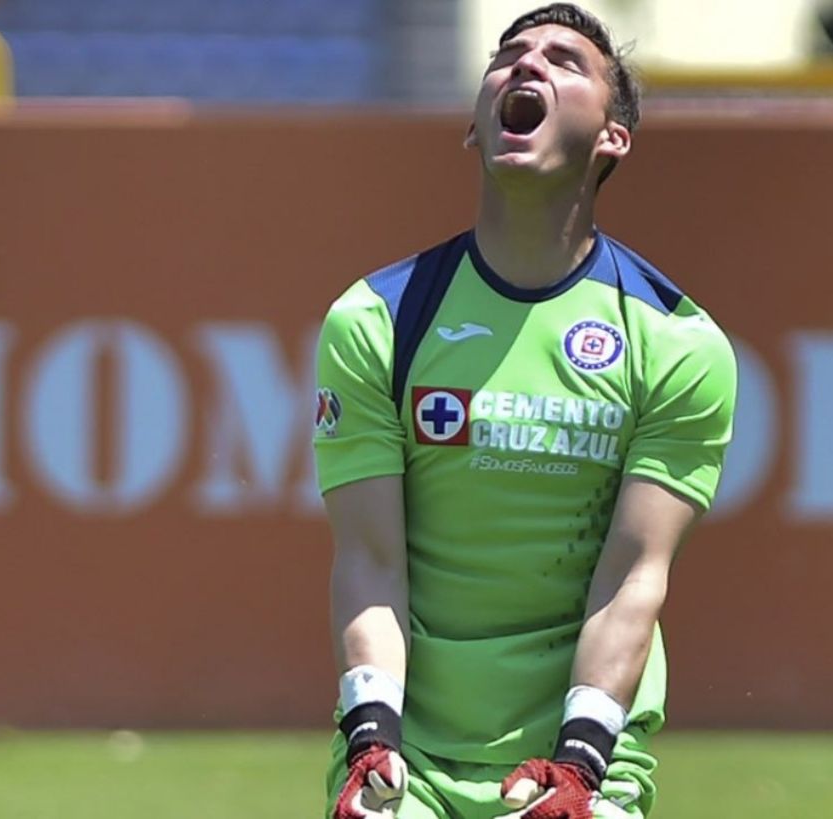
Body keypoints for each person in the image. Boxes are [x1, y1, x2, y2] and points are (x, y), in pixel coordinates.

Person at [314, 5, 736, 818]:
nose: (526, 65)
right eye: (506, 55)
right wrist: (371, 735)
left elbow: (631, 578)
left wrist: (579, 763)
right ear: (474, 126)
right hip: (408, 755)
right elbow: (369, 563)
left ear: (613, 137)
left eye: (566, 61)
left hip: (583, 752)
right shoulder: (376, 320)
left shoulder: (679, 344)